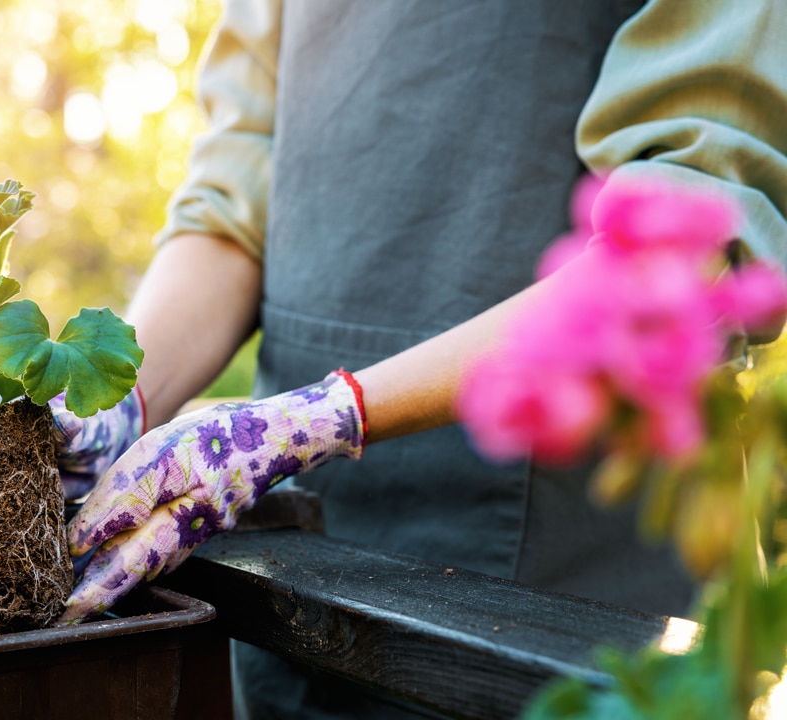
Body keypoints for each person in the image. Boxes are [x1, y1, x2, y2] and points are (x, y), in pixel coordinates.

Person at [52, 1, 787, 717]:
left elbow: (679, 256)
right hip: (287, 566)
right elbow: (231, 207)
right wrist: (119, 398)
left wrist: (309, 423)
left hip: (552, 592)